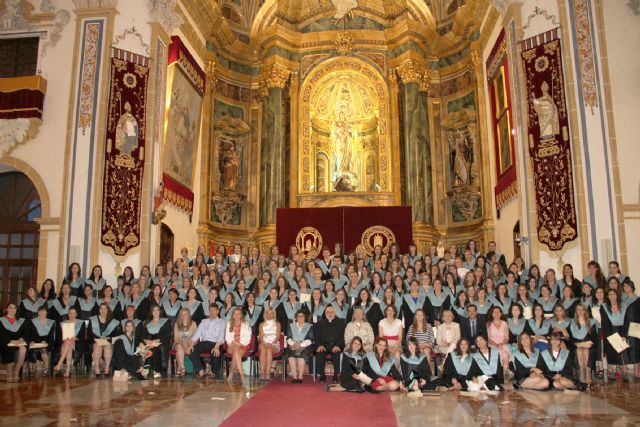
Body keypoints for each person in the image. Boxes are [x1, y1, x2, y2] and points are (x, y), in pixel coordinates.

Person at [189, 303, 226, 379]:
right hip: (205, 343)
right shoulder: (204, 321)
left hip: (217, 343)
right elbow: (197, 334)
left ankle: (213, 372)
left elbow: (221, 335)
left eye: (214, 310)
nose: (212, 312)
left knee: (215, 352)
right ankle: (201, 371)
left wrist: (216, 347)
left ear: (218, 311)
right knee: (191, 351)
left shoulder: (222, 322)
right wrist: (191, 344)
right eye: (210, 310)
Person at [600, 288, 629, 381]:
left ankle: (625, 374)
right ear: (607, 296)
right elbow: (604, 323)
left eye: (614, 294)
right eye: (610, 294)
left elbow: (627, 321)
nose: (612, 296)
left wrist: (624, 335)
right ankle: (611, 373)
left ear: (617, 295)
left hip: (621, 331)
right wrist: (611, 337)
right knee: (611, 353)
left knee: (622, 353)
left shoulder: (624, 306)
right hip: (610, 331)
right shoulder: (604, 307)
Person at [314, 305, 346, 383]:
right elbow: (316, 337)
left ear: (335, 313)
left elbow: (343, 336)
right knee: (320, 353)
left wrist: (338, 346)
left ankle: (335, 376)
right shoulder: (320, 323)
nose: (330, 314)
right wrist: (319, 345)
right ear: (325, 313)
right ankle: (322, 375)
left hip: (336, 345)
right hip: (323, 346)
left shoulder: (341, 322)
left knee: (337, 353)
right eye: (328, 312)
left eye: (332, 312)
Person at [88, 302, 120, 377]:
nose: (103, 310)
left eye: (105, 309)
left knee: (108, 346)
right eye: (101, 309)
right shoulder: (93, 319)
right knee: (97, 346)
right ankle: (97, 369)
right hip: (95, 341)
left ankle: (106, 368)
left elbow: (116, 334)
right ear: (99, 310)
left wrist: (109, 338)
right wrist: (97, 339)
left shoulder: (113, 321)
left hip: (107, 341)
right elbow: (90, 332)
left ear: (108, 310)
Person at [53, 306, 85, 377]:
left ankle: (59, 364)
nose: (72, 315)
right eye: (70, 313)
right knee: (68, 343)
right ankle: (67, 371)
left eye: (74, 313)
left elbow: (82, 336)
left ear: (76, 314)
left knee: (69, 342)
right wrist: (65, 337)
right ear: (68, 314)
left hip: (77, 343)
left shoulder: (81, 322)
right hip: (66, 343)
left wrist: (76, 337)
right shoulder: (64, 323)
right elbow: (60, 336)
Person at [142, 304, 171, 377]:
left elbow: (167, 335)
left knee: (155, 349)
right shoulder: (147, 322)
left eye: (157, 310)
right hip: (149, 342)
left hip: (162, 342)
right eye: (153, 310)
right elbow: (143, 335)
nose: (155, 312)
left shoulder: (165, 321)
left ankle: (155, 370)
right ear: (151, 312)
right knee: (148, 348)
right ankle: (148, 369)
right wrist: (146, 341)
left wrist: (157, 341)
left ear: (160, 311)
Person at [25, 305, 56, 376]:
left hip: (46, 344)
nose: (42, 312)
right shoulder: (32, 322)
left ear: (46, 312)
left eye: (44, 311)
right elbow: (28, 334)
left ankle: (46, 369)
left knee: (44, 350)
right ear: (38, 312)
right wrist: (30, 341)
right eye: (40, 311)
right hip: (34, 343)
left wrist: (46, 342)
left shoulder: (50, 322)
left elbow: (51, 336)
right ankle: (31, 369)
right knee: (32, 351)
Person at [286, 310, 314, 383]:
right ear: (296, 317)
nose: (300, 318)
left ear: (305, 317)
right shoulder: (291, 326)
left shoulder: (309, 326)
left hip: (305, 346)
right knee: (291, 356)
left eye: (302, 316)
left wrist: (301, 345)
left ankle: (300, 377)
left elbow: (311, 339)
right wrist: (293, 344)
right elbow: (288, 337)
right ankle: (294, 377)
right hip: (293, 345)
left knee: (302, 355)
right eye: (298, 316)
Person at [225, 307, 252, 383]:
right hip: (231, 345)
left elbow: (248, 337)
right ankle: (241, 375)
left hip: (243, 345)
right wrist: (234, 342)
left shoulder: (246, 324)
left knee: (236, 353)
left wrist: (240, 344)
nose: (236, 316)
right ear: (232, 315)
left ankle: (231, 373)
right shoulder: (229, 323)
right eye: (235, 314)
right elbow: (227, 337)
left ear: (241, 315)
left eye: (238, 314)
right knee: (236, 350)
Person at [406, 308, 435, 374]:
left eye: (421, 315)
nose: (419, 316)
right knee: (421, 351)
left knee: (426, 351)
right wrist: (417, 344)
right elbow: (408, 339)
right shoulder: (412, 327)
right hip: (416, 346)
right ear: (415, 316)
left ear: (423, 317)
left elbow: (432, 338)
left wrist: (428, 344)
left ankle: (427, 372)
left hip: (427, 346)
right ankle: (419, 371)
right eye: (418, 315)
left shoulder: (429, 326)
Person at [257, 307, 281, 382]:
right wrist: (264, 343)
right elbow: (260, 336)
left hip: (274, 344)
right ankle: (262, 373)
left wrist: (271, 344)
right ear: (265, 314)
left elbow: (277, 337)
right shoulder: (261, 324)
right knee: (264, 349)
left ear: (274, 314)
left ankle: (267, 373)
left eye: (271, 313)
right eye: (268, 313)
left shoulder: (277, 324)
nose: (269, 315)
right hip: (263, 343)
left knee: (269, 349)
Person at [486, 306, 510, 378]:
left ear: (501, 313)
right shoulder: (488, 324)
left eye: (498, 312)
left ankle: (506, 379)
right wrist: (496, 345)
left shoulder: (505, 323)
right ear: (491, 314)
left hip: (503, 344)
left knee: (505, 357)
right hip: (492, 344)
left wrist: (501, 344)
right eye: (494, 312)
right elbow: (489, 338)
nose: (496, 313)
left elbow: (507, 338)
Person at [173, 308, 197, 377]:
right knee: (179, 347)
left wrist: (189, 344)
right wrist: (182, 343)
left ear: (189, 315)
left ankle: (179, 368)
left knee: (179, 350)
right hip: (179, 343)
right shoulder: (177, 323)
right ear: (180, 315)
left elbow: (196, 337)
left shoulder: (193, 323)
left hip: (190, 344)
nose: (184, 316)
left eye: (185, 314)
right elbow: (176, 338)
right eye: (182, 314)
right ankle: (183, 368)